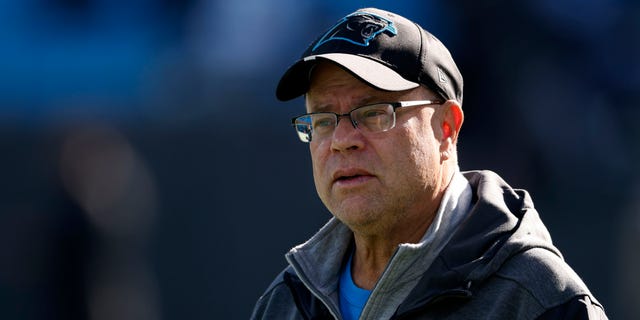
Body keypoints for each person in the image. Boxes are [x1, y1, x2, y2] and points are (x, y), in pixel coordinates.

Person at [250, 7, 607, 320]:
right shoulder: (287, 302)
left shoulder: (541, 301)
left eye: (375, 113)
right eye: (324, 120)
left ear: (447, 127)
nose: (342, 141)